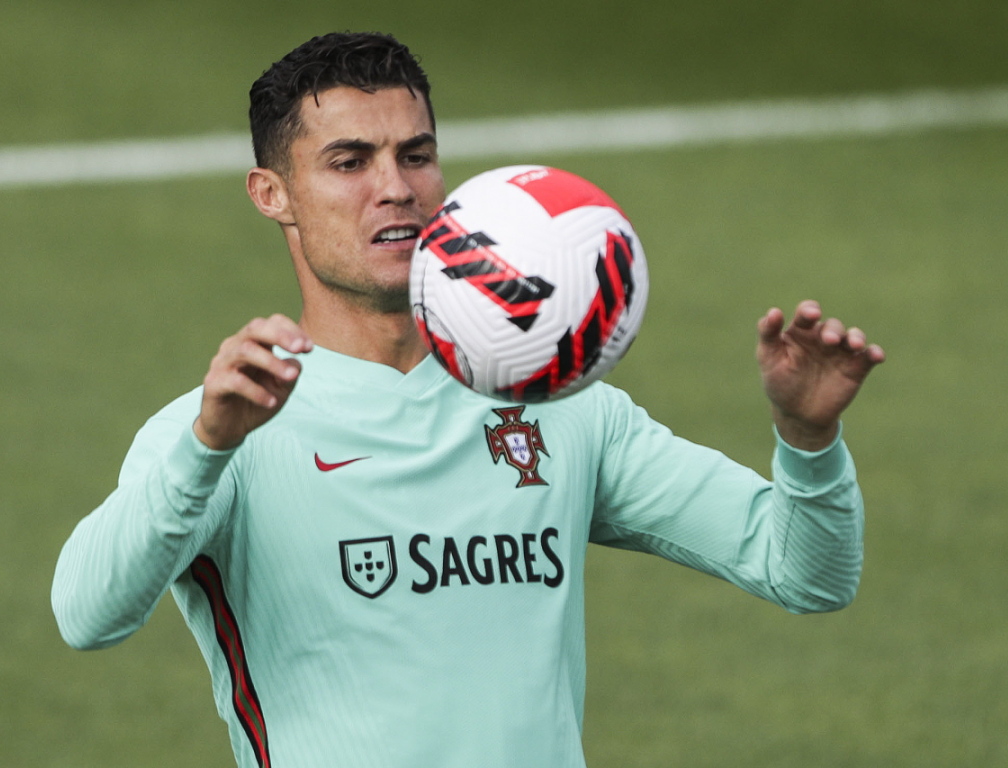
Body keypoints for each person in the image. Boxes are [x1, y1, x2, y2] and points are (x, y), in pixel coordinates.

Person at [52, 31, 886, 768]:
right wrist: (206, 446)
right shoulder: (223, 429)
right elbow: (87, 615)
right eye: (350, 162)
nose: (396, 187)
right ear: (272, 193)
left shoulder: (560, 402)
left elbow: (805, 573)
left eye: (415, 155)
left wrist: (806, 438)